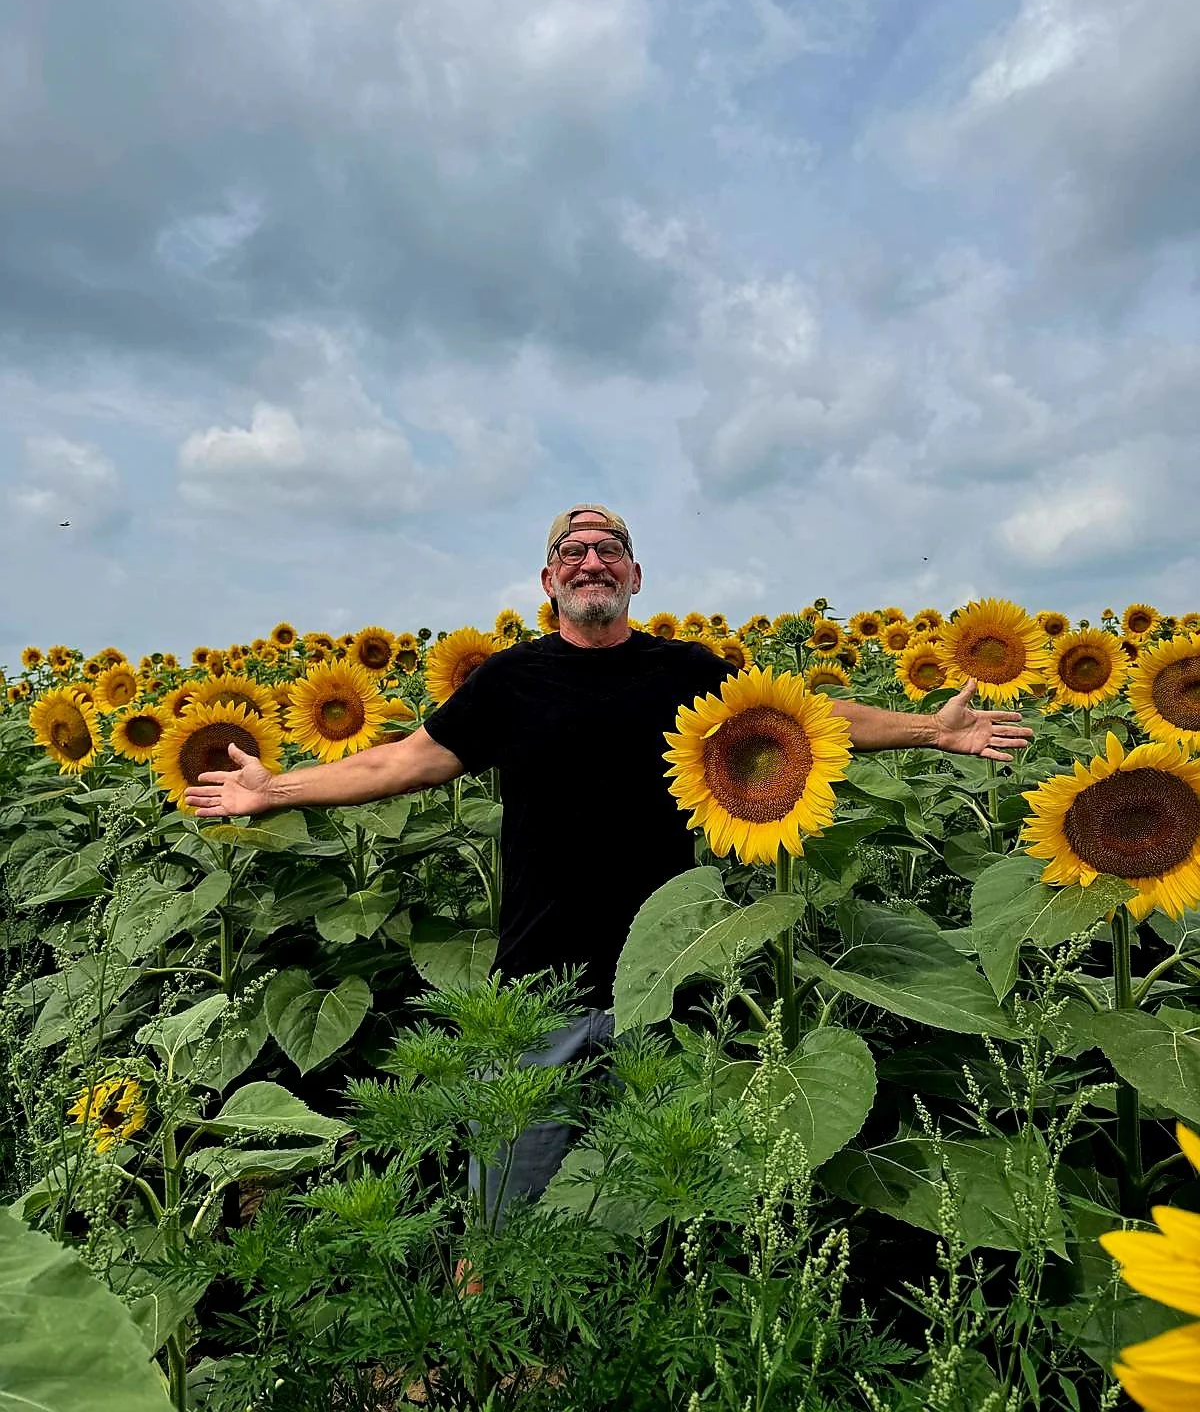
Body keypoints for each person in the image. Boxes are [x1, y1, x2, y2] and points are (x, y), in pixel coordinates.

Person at [184, 504, 1033, 1219]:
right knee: (505, 1204)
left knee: (656, 1199)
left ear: (634, 577)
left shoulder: (684, 669)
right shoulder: (510, 682)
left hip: (667, 973)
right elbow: (397, 763)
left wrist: (933, 728)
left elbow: (808, 716)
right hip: (536, 981)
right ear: (549, 584)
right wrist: (277, 791)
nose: (590, 561)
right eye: (571, 553)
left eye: (608, 551)